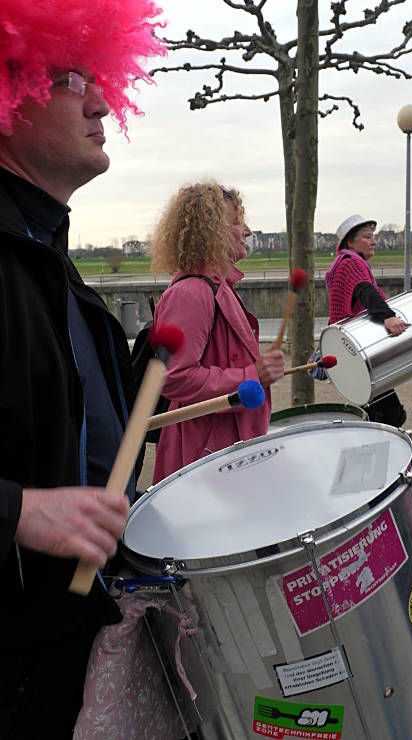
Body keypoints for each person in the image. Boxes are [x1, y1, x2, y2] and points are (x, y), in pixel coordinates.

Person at [0, 2, 165, 737]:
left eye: (100, 77)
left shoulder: (51, 263)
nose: (102, 101)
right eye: (71, 79)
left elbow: (77, 424)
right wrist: (21, 512)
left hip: (61, 660)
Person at [151, 182, 285, 483]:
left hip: (224, 449)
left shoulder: (218, 288)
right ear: (209, 232)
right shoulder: (190, 294)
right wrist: (252, 376)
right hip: (203, 457)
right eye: (236, 222)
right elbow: (174, 378)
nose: (248, 230)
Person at [324, 214, 408, 426]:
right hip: (355, 351)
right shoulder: (351, 263)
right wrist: (388, 317)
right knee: (389, 415)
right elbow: (364, 289)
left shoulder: (343, 263)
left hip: (349, 351)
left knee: (374, 411)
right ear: (350, 242)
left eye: (373, 236)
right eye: (367, 236)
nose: (374, 241)